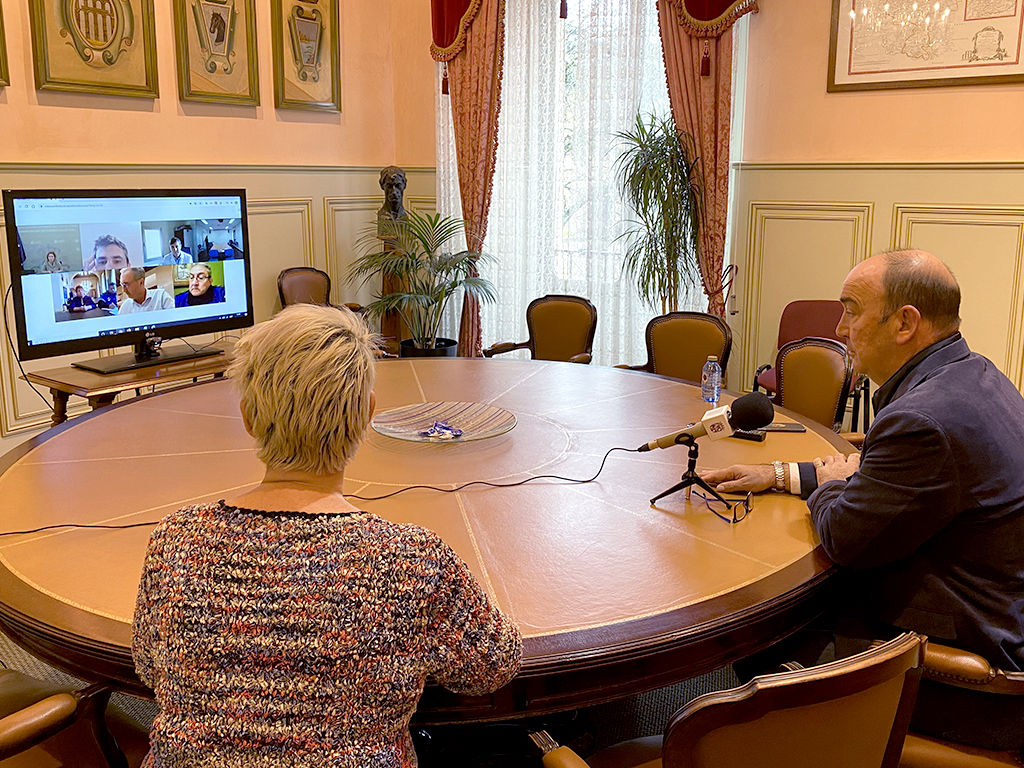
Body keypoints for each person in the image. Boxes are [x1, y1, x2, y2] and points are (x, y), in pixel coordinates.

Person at [132, 305, 522, 767]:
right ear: (367, 415)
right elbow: (490, 666)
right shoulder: (412, 560)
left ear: (249, 418)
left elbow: (151, 668)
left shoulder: (174, 542)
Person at [701, 249, 1024, 747]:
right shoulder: (970, 375)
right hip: (1000, 614)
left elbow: (847, 538)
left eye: (851, 309)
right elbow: (878, 476)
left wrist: (828, 487)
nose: (840, 326)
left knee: (757, 629)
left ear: (904, 323)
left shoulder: (923, 420)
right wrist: (782, 474)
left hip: (972, 678)